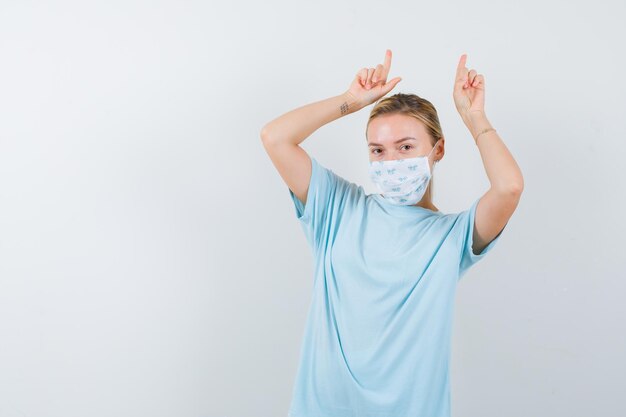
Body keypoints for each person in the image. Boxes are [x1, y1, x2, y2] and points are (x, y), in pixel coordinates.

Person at [260, 50, 523, 417]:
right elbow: (275, 138)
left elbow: (509, 187)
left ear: (437, 150)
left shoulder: (453, 236)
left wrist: (474, 117)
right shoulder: (337, 208)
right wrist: (349, 102)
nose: (392, 162)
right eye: (378, 150)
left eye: (406, 147)